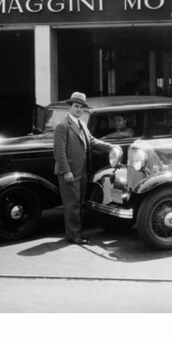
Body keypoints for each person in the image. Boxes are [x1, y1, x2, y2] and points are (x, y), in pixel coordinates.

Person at [53, 91, 114, 245]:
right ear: (70, 107)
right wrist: (66, 171)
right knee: (72, 204)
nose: (79, 109)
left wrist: (110, 147)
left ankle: (77, 233)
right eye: (76, 106)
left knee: (78, 203)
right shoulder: (62, 126)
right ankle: (74, 235)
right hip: (70, 172)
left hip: (81, 172)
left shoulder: (82, 125)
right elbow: (59, 152)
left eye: (81, 107)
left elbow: (92, 142)